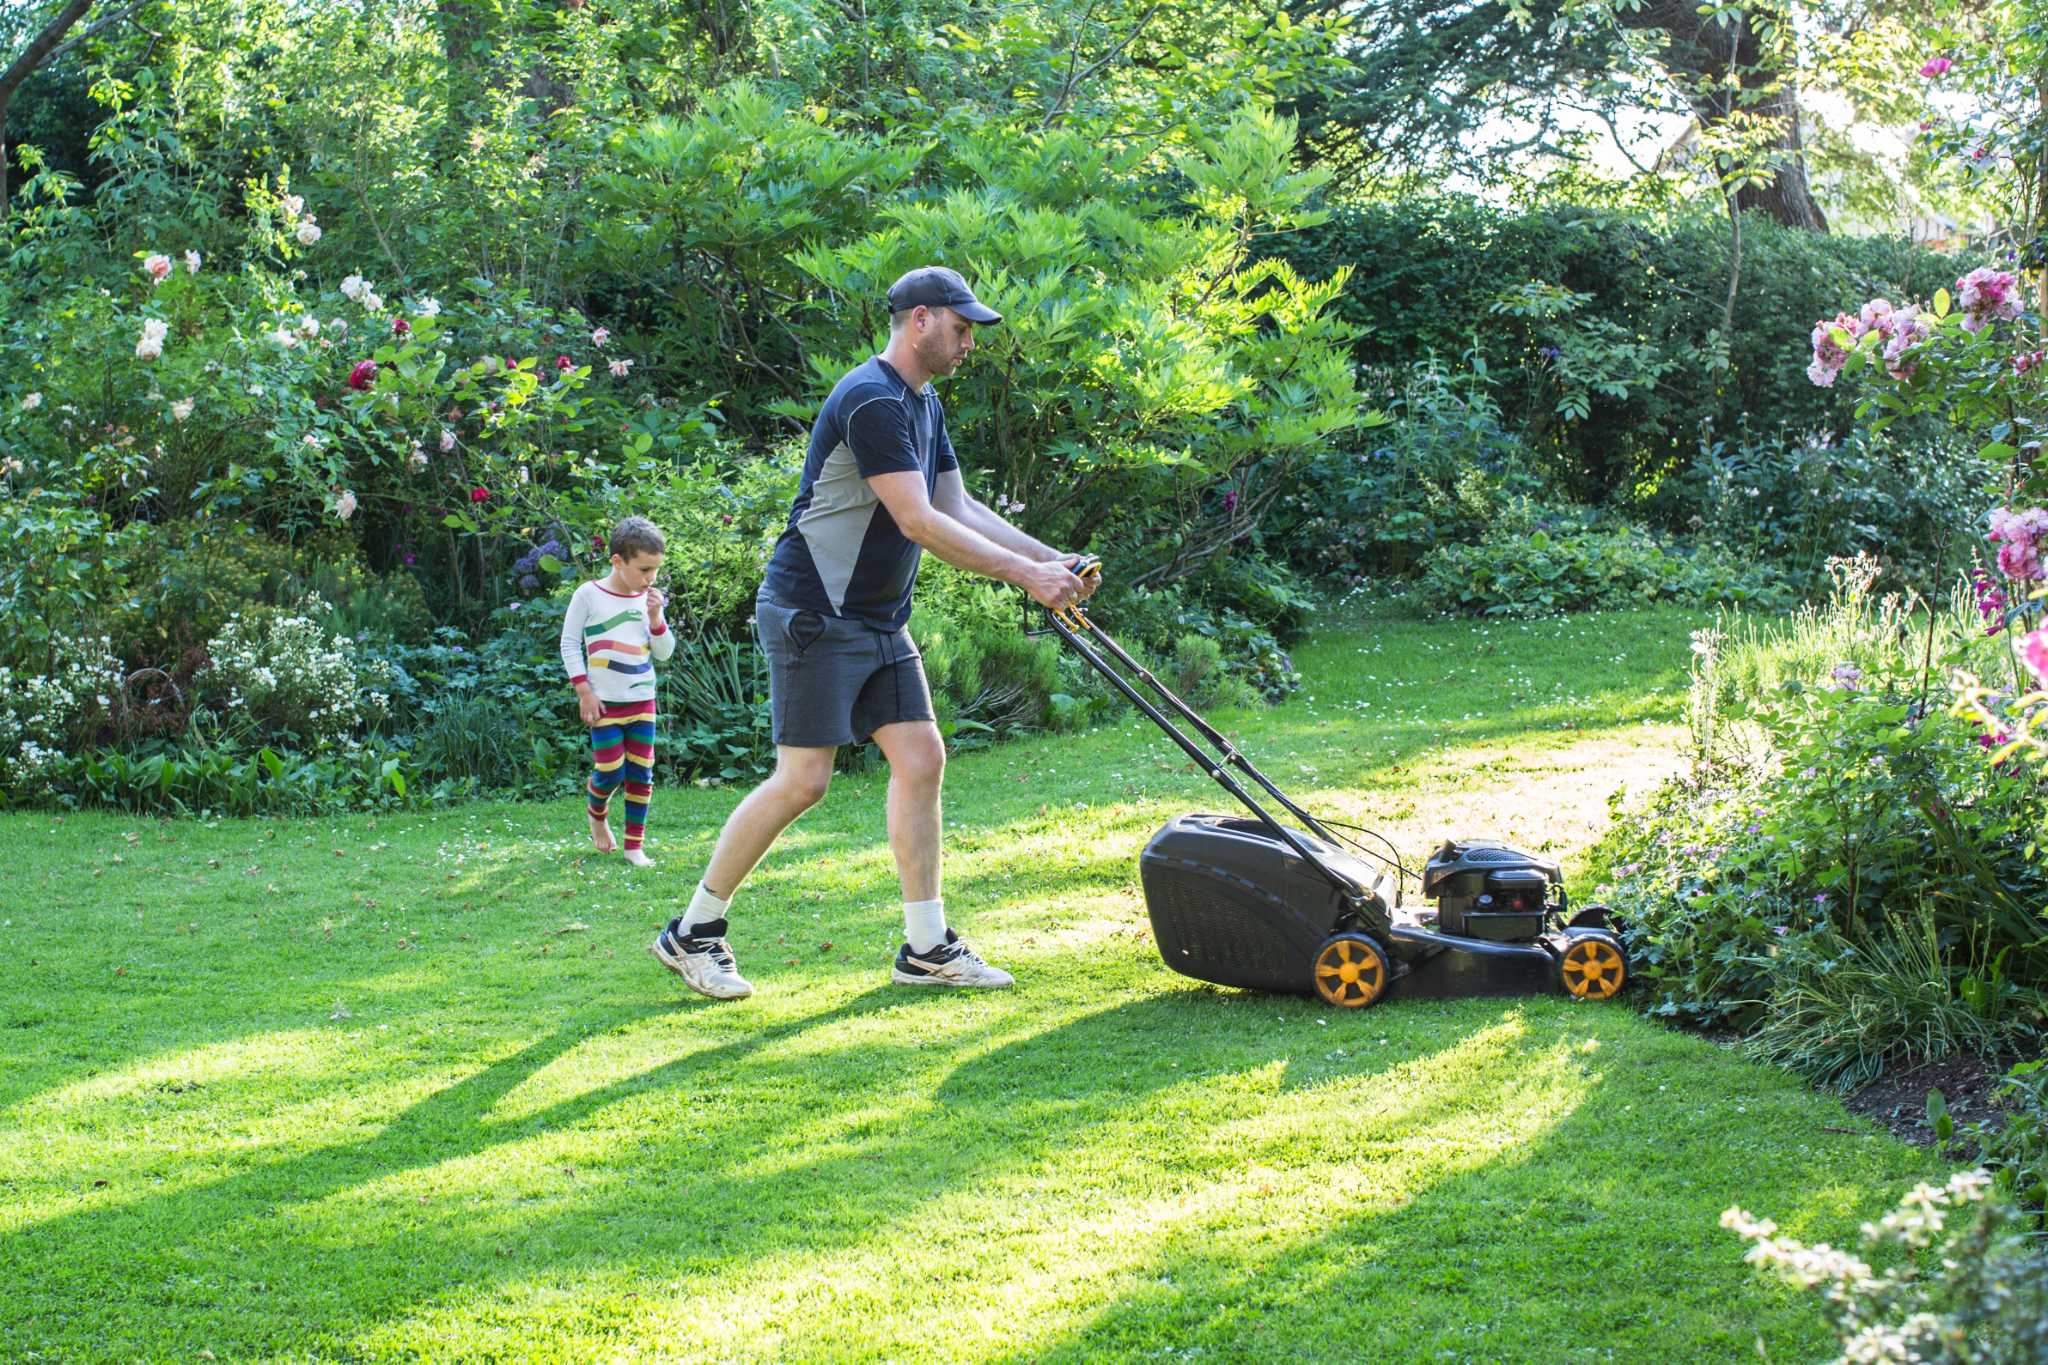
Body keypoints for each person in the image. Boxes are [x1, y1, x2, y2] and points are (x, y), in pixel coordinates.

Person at [650, 266, 1096, 1000]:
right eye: (960, 329)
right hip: (815, 611)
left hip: (878, 616)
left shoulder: (923, 405)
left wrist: (1053, 560)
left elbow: (958, 504)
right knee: (804, 780)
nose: (967, 345)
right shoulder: (871, 399)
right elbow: (917, 520)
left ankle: (926, 946)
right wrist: (1025, 577)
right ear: (919, 319)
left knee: (921, 758)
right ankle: (692, 931)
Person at [560, 515, 674, 868]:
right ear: (617, 561)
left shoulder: (648, 600)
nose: (650, 578)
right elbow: (568, 644)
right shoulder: (589, 595)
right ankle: (597, 814)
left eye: (655, 569)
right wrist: (584, 692)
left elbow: (664, 653)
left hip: (643, 701)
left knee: (641, 772)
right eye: (643, 569)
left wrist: (657, 619)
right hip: (604, 704)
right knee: (610, 770)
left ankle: (633, 847)